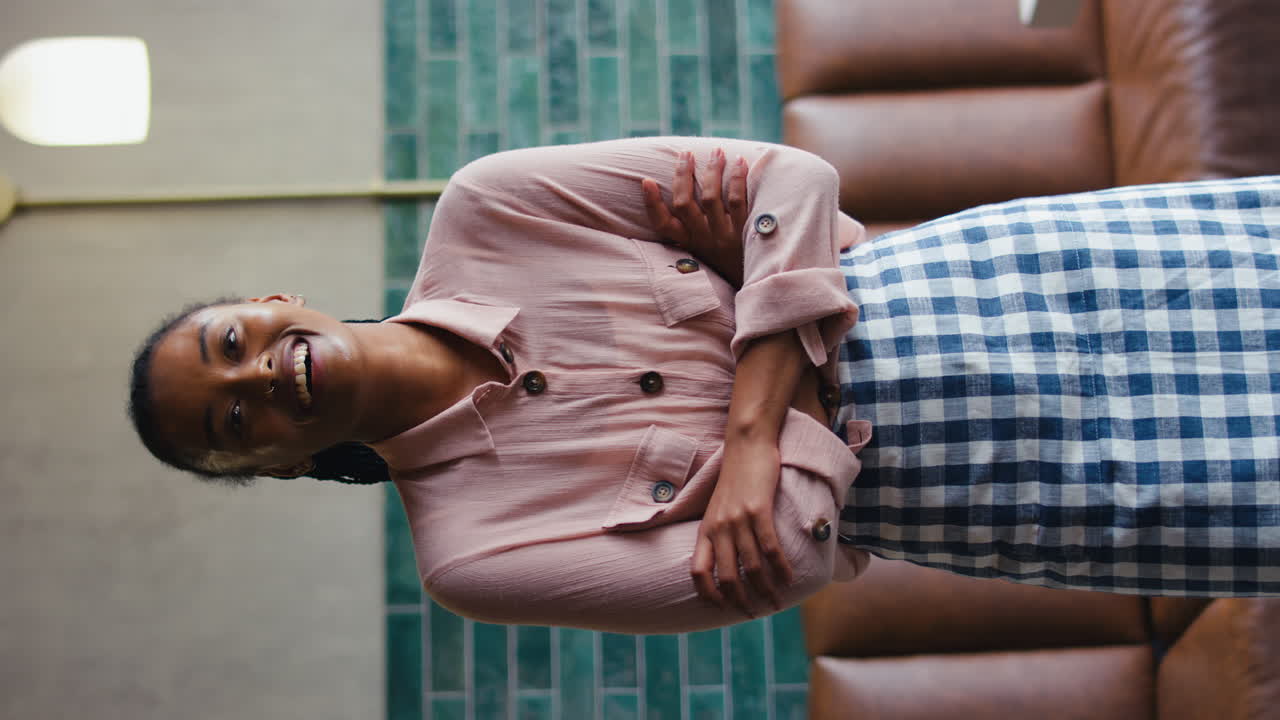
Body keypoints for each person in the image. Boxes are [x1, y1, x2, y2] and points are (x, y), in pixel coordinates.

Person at [128, 137, 1280, 634]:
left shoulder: (491, 205)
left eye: (230, 339)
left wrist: (747, 446)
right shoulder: (471, 559)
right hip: (1008, 485)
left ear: (269, 298)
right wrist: (751, 272)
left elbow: (793, 174)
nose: (259, 379)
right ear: (273, 466)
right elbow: (781, 562)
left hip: (1025, 283)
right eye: (234, 422)